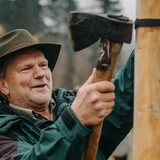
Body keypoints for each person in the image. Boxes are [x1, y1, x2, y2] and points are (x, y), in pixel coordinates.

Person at [0, 29, 134, 160]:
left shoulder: (77, 102)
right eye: (25, 69)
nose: (40, 73)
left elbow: (124, 97)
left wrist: (148, 47)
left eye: (43, 65)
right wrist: (74, 119)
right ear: (3, 86)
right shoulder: (4, 134)